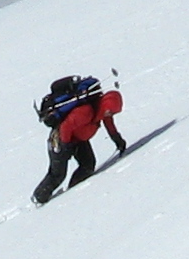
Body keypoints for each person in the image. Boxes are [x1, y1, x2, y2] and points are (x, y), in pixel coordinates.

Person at [32, 75, 127, 204]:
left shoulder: (103, 109)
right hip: (60, 140)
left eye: (113, 113)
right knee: (58, 175)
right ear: (107, 105)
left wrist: (118, 141)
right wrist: (65, 146)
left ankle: (73, 192)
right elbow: (65, 127)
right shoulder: (86, 111)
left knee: (87, 165)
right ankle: (38, 198)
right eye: (110, 112)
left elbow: (110, 125)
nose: (110, 115)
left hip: (77, 140)